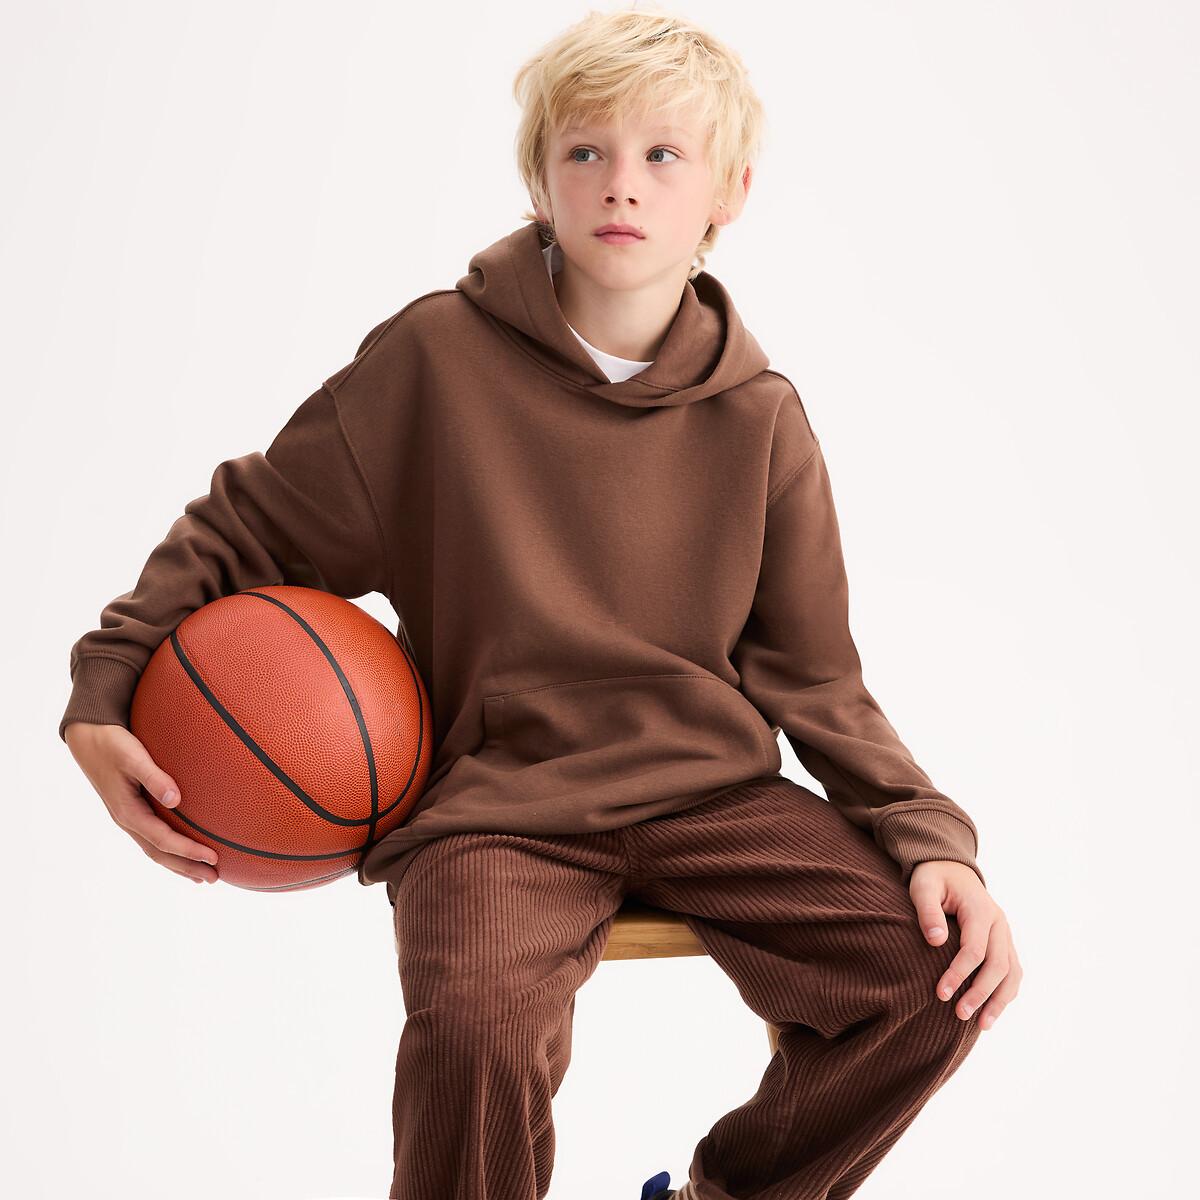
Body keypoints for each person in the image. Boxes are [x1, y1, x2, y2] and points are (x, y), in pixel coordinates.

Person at [60, 8, 1021, 1199]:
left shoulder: (761, 416)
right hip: (496, 800)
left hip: (707, 791)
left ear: (728, 192)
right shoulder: (435, 360)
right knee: (473, 1031)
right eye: (586, 151)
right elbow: (244, 528)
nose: (622, 183)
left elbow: (817, 676)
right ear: (540, 180)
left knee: (935, 982)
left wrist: (930, 837)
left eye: (663, 155)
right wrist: (104, 691)